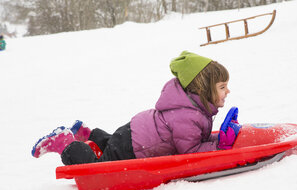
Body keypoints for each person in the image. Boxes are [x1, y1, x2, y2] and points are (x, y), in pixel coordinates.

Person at [31, 51, 237, 165]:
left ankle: (87, 133)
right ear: (202, 88)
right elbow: (190, 151)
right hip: (135, 147)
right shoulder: (189, 117)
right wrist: (219, 146)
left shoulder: (193, 108)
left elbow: (195, 140)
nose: (227, 91)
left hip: (134, 134)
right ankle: (66, 144)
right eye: (222, 87)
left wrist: (219, 138)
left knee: (112, 143)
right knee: (101, 166)